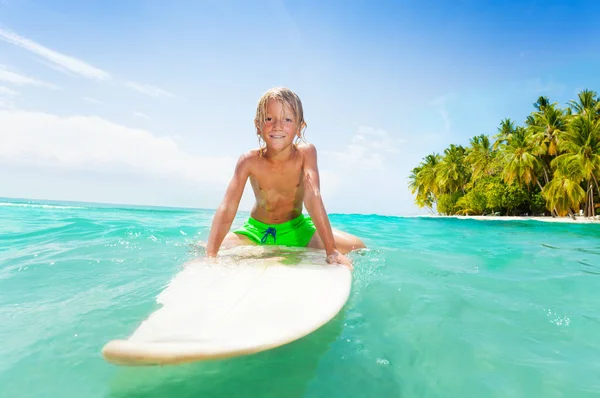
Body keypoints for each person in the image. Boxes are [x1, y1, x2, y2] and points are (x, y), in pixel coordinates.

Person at [205, 87, 365, 268]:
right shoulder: (249, 160)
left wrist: (332, 250)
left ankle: (279, 251)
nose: (278, 125)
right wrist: (211, 254)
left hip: (297, 230)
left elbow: (313, 196)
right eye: (269, 118)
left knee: (357, 247)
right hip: (257, 232)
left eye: (287, 119)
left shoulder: (306, 153)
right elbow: (228, 206)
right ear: (258, 125)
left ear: (299, 127)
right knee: (205, 248)